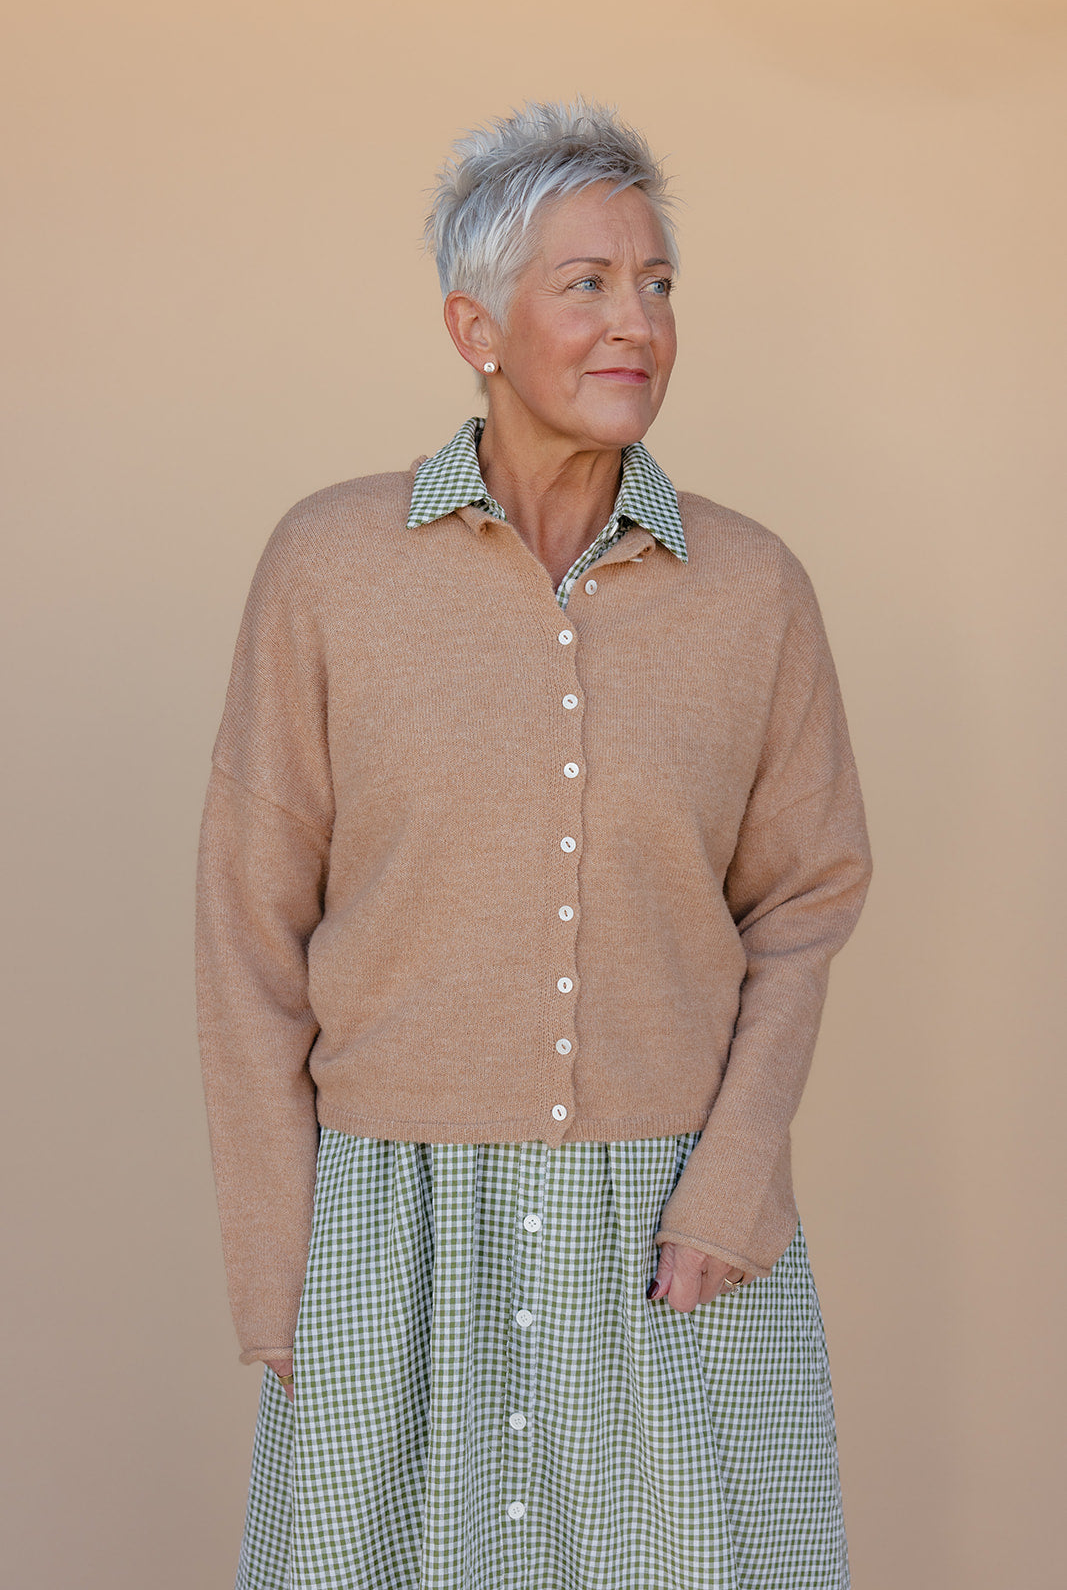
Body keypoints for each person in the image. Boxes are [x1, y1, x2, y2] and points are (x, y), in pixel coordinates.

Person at [196, 98, 872, 1590]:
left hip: (672, 1237)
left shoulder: (751, 590)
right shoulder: (330, 566)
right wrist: (284, 1269)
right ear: (475, 325)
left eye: (658, 283)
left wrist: (737, 1175)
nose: (636, 321)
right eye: (588, 282)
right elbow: (248, 932)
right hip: (393, 1228)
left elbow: (809, 897)